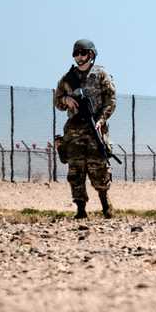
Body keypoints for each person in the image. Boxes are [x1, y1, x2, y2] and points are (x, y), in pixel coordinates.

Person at [54, 39, 117, 220]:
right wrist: (65, 100)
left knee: (99, 169)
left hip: (95, 129)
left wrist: (102, 119)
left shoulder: (101, 75)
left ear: (91, 54)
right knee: (76, 171)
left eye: (83, 53)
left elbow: (111, 100)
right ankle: (80, 210)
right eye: (76, 53)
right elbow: (57, 102)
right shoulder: (67, 79)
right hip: (74, 131)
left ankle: (106, 206)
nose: (79, 57)